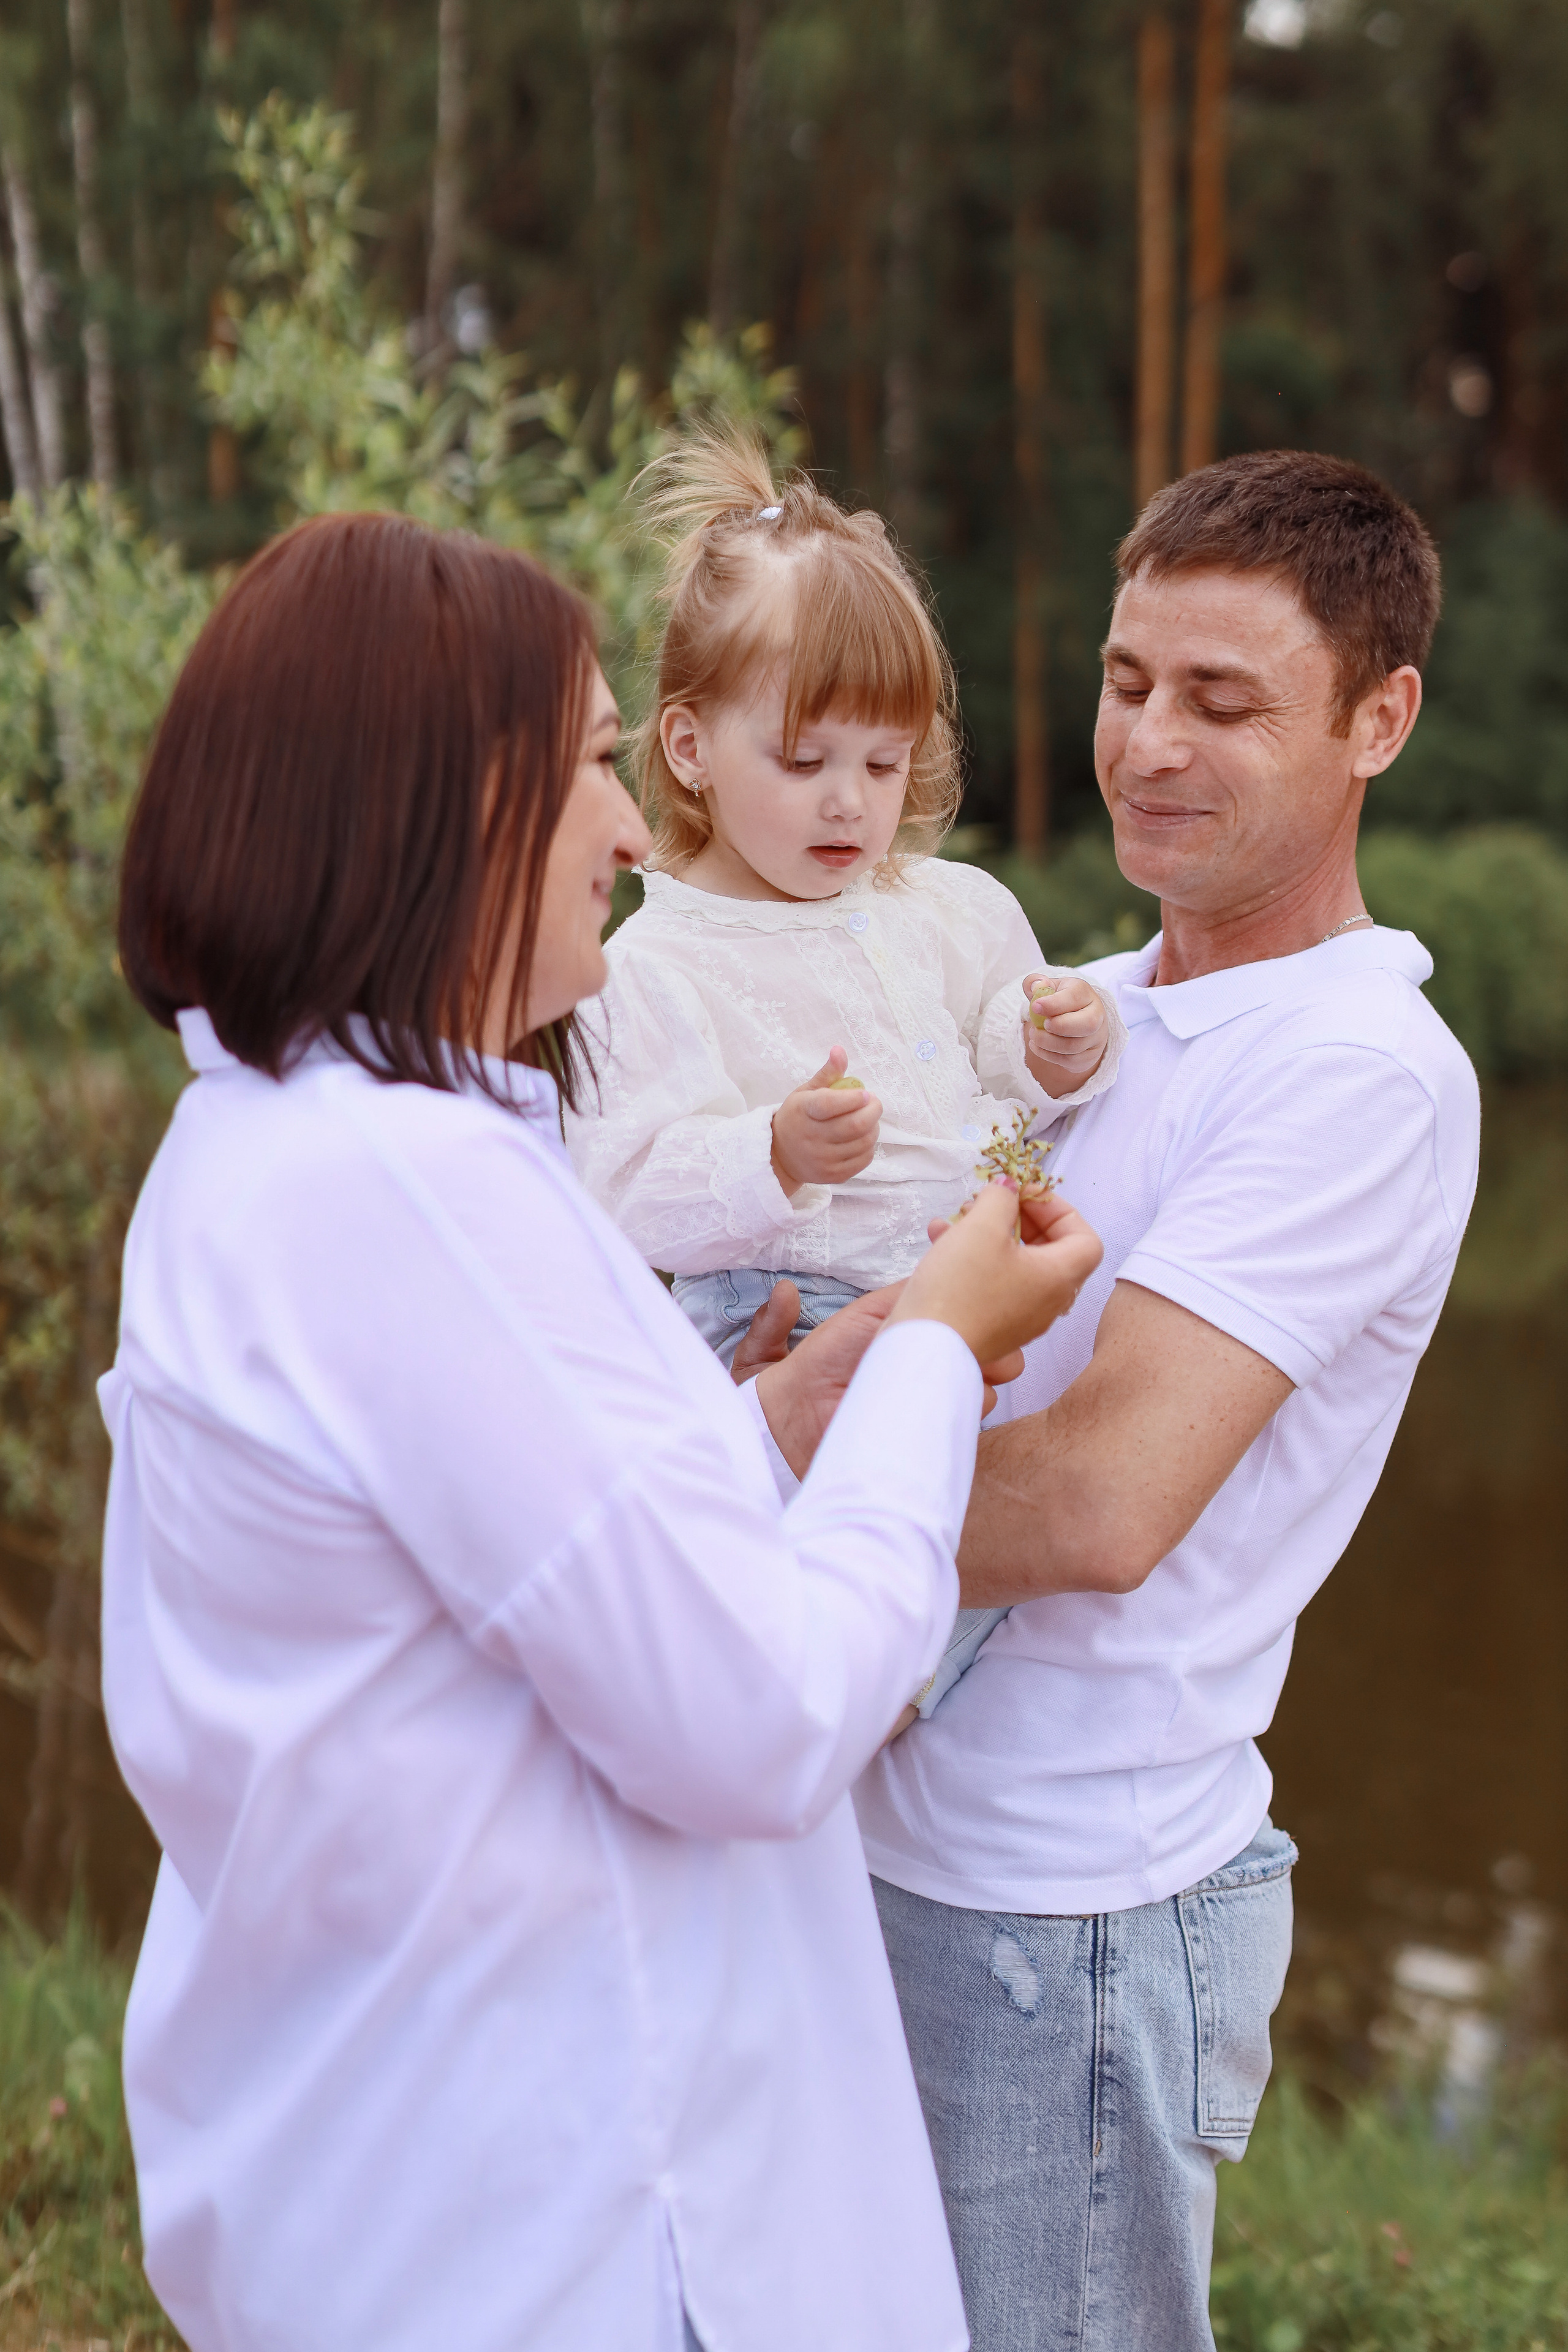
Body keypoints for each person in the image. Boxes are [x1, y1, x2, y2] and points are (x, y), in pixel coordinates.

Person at [99, 509, 1104, 2352]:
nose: (638, 831)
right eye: (586, 767)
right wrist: (934, 1363)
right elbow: (764, 1713)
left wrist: (780, 1409)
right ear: (436, 809)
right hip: (570, 2226)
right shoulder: (415, 1205)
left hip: (406, 2165)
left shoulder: (279, 1144)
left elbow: (500, 1555)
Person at [850, 451, 1483, 2352]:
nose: (1148, 746)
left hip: (1071, 1909)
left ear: (1381, 721)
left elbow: (1100, 1504)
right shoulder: (1091, 1010)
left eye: (1223, 702)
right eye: (1131, 683)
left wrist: (706, 1495)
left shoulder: (1362, 1071)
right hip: (876, 1833)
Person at [567, 431, 1125, 1714]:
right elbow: (617, 1185)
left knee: (983, 1617)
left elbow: (1002, 1046)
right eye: (805, 762)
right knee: (851, 1667)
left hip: (963, 1303)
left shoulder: (947, 904)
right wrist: (772, 1153)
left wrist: (1060, 1043)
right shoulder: (654, 962)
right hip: (794, 1310)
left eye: (882, 765)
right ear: (692, 748)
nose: (848, 807)